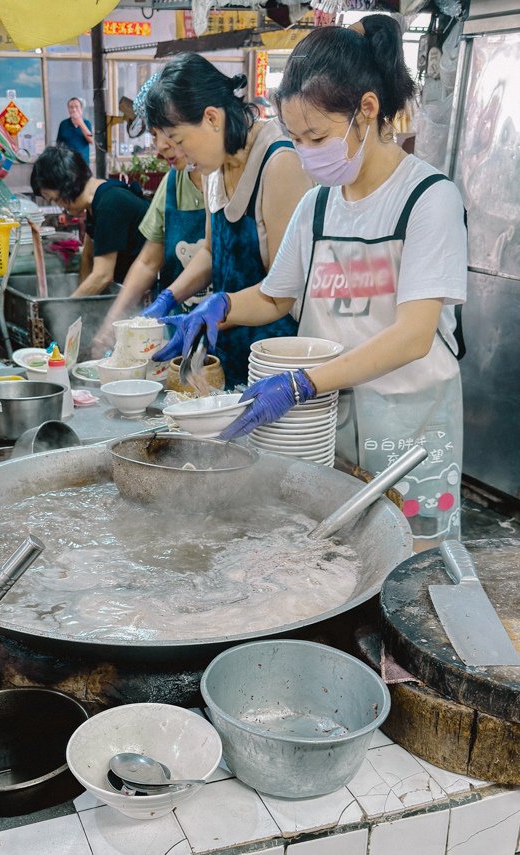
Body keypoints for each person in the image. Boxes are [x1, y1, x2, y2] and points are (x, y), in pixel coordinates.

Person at [180, 16, 467, 546]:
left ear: (367, 109)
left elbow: (414, 335)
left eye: (316, 136)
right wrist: (218, 306)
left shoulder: (429, 199)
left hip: (409, 421)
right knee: (331, 553)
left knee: (411, 558)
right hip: (327, 415)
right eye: (295, 137)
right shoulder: (317, 206)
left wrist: (302, 382)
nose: (306, 150)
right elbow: (275, 295)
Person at [140, 54, 313, 388]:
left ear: (211, 118)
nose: (178, 155)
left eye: (178, 141)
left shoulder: (279, 164)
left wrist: (215, 310)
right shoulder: (211, 167)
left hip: (275, 360)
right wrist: (169, 298)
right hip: (228, 351)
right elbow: (209, 251)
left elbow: (284, 291)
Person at [92, 75, 208, 358]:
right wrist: (112, 324)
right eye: (154, 134)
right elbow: (147, 261)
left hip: (227, 328)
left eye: (166, 132)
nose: (160, 146)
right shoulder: (172, 183)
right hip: (177, 330)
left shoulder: (225, 179)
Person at [31, 144, 149, 299]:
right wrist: (82, 307)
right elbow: (88, 256)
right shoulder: (96, 201)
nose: (61, 207)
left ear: (67, 185)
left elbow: (102, 275)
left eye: (56, 200)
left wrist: (69, 310)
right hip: (132, 287)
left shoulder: (110, 202)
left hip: (151, 291)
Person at [56, 97, 93, 163]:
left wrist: (81, 123)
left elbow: (91, 140)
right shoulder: (63, 124)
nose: (74, 109)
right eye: (71, 107)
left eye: (76, 107)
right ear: (68, 109)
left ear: (81, 109)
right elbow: (58, 143)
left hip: (83, 163)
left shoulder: (87, 123)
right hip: (67, 163)